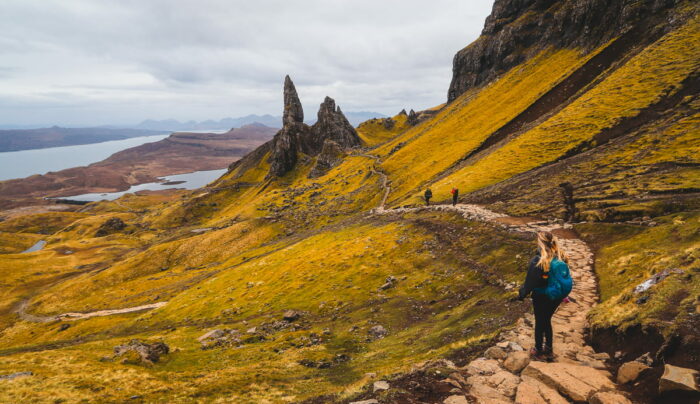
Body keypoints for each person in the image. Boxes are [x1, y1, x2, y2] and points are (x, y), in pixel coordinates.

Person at [518, 231, 572, 360]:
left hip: (541, 295)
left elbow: (531, 282)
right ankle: (549, 349)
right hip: (556, 296)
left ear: (540, 242)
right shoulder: (561, 256)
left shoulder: (538, 260)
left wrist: (522, 294)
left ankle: (538, 350)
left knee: (540, 322)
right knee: (547, 319)